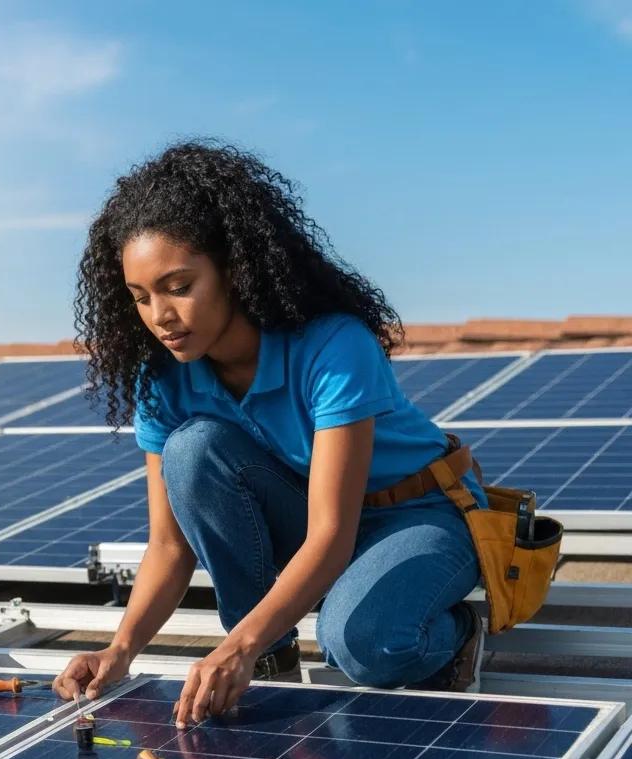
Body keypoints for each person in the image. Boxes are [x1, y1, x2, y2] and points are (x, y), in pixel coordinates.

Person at [52, 139, 486, 728]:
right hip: (312, 521)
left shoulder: (333, 346)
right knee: (192, 449)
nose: (160, 316)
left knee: (364, 644)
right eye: (141, 297)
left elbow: (332, 534)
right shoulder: (161, 381)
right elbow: (169, 545)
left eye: (179, 286)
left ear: (233, 270)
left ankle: (456, 635)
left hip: (419, 513)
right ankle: (267, 646)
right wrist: (120, 650)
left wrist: (237, 647)